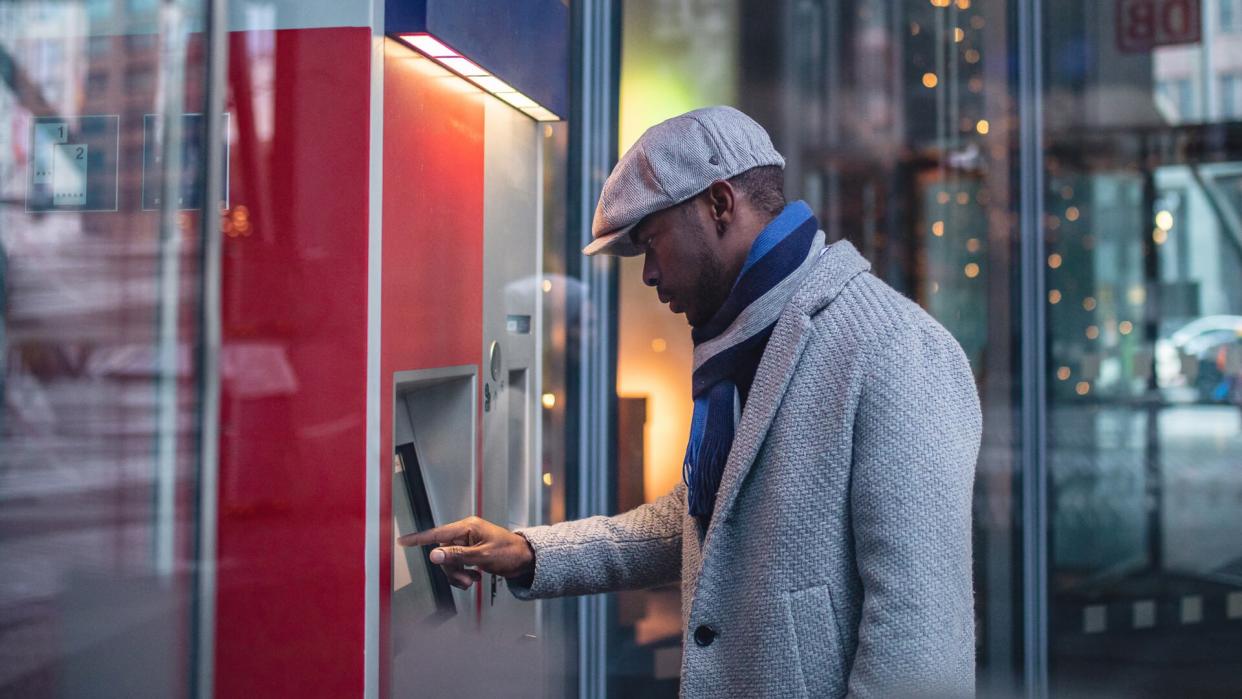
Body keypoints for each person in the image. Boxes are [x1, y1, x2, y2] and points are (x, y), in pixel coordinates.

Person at [400, 106, 980, 698]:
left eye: (652, 241)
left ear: (720, 204)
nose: (649, 274)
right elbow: (705, 523)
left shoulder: (897, 349)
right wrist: (528, 552)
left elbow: (920, 647)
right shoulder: (750, 340)